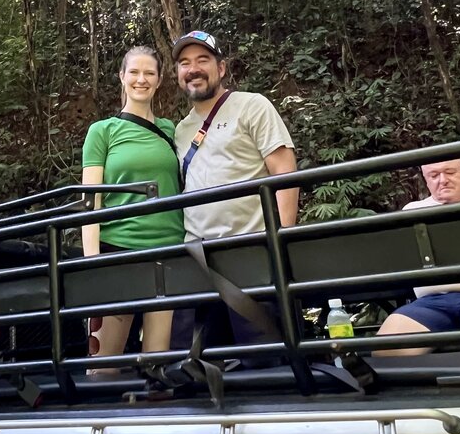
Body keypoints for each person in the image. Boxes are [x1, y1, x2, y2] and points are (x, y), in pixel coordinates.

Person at [171, 30, 298, 352]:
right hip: (198, 258)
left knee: (264, 356)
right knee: (201, 361)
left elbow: (284, 170)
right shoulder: (181, 130)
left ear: (221, 67)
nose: (193, 69)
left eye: (202, 60)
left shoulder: (251, 106)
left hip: (251, 250)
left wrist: (281, 239)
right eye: (185, 63)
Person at [81, 46, 184, 366]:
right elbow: (90, 201)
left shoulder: (171, 130)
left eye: (149, 73)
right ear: (122, 77)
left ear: (159, 80)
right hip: (118, 250)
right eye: (134, 72)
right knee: (103, 366)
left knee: (158, 364)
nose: (142, 79)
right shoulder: (102, 131)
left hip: (167, 250)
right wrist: (91, 262)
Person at [375, 158, 460, 356]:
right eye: (434, 175)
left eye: (450, 172)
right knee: (386, 352)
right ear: (426, 179)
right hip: (430, 303)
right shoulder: (412, 211)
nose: (443, 180)